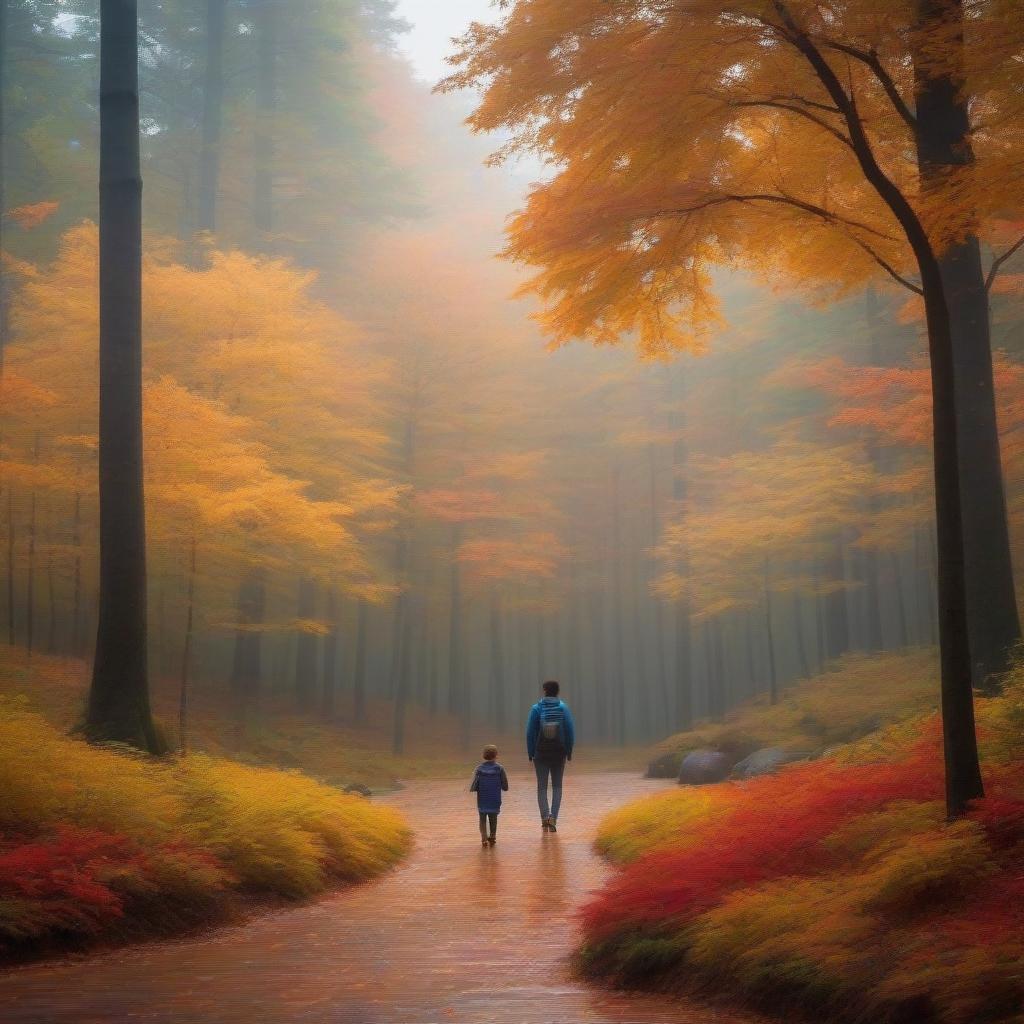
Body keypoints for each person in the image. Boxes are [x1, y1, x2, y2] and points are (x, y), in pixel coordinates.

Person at [526, 680, 575, 832]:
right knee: (557, 786)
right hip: (559, 753)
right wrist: (569, 751)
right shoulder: (563, 708)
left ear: (545, 691)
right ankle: (553, 818)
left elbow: (530, 733)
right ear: (557, 691)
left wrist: (531, 752)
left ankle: (544, 818)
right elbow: (570, 731)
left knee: (541, 787)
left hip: (540, 754)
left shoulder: (536, 709)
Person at [470, 743, 509, 847]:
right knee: (493, 819)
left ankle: (483, 838)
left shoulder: (479, 769)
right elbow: (505, 785)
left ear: (483, 755)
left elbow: (474, 784)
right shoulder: (499, 769)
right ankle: (492, 836)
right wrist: (504, 788)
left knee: (482, 819)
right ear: (496, 755)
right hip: (495, 799)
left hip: (482, 799)